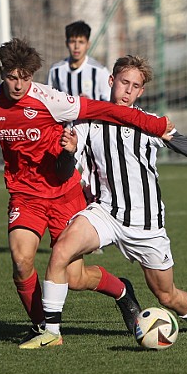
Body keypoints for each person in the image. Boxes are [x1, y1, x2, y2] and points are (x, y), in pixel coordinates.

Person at [19, 54, 187, 349]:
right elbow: (63, 170)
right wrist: (68, 151)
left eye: (135, 86)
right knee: (61, 250)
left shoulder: (149, 123)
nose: (127, 90)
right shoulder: (87, 121)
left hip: (146, 224)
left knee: (167, 296)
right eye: (123, 82)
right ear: (111, 81)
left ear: (141, 91)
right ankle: (51, 333)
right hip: (106, 214)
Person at [0, 39, 173, 346]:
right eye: (11, 77)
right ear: (2, 73)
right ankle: (42, 329)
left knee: (74, 278)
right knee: (21, 261)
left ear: (32, 76)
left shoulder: (50, 99)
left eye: (25, 77)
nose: (18, 84)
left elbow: (104, 110)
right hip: (25, 196)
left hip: (65, 194)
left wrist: (154, 124)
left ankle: (122, 290)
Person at [48, 19, 111, 254]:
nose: (76, 46)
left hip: (93, 134)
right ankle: (74, 231)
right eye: (73, 42)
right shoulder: (56, 71)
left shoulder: (99, 71)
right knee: (71, 180)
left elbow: (109, 104)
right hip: (66, 135)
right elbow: (49, 102)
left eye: (81, 42)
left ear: (88, 44)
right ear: (67, 43)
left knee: (93, 182)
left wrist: (91, 104)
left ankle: (95, 232)